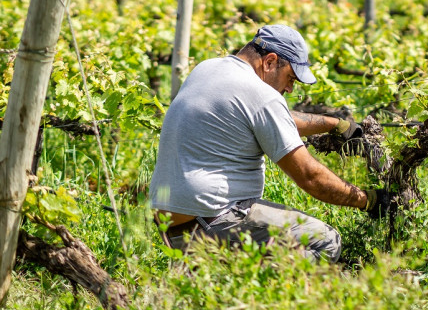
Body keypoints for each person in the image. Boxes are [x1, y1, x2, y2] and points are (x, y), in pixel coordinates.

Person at [149, 24, 387, 262]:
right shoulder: (262, 96)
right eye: (290, 77)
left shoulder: (208, 69)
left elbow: (264, 117)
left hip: (172, 228)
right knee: (325, 241)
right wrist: (367, 200)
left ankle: (207, 274)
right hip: (214, 222)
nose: (290, 88)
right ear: (270, 61)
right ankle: (252, 288)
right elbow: (310, 177)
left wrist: (333, 124)